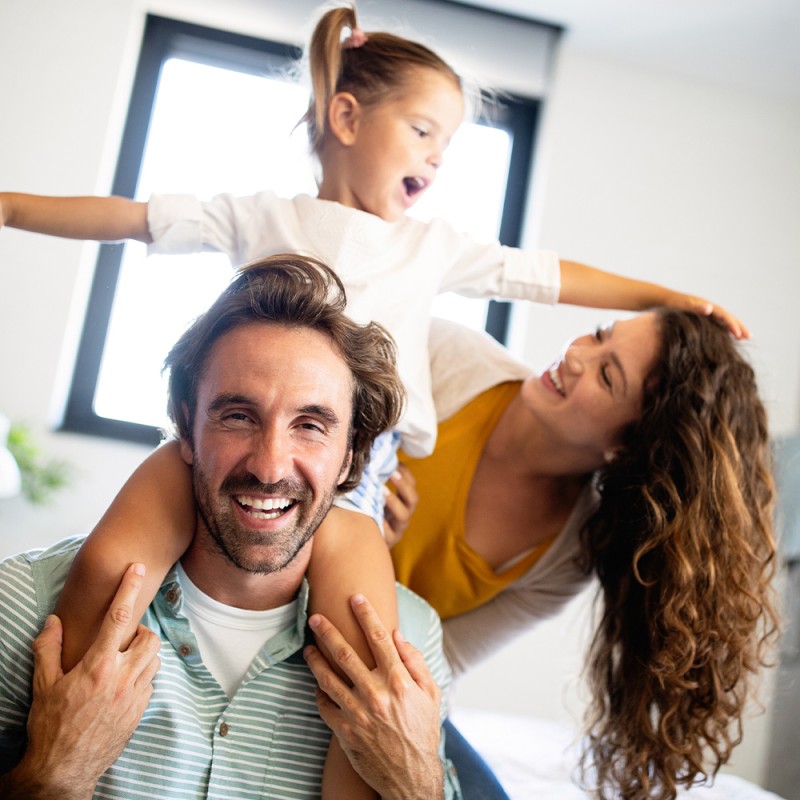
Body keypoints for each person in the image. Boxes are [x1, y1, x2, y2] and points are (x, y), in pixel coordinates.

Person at [0, 2, 751, 795]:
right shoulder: (265, 216)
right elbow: (130, 220)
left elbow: (546, 276)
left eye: (450, 142)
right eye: (424, 131)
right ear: (347, 117)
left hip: (355, 490)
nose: (439, 157)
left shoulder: (430, 250)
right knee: (109, 569)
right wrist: (10, 207)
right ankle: (70, 741)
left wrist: (677, 300)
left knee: (369, 666)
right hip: (209, 456)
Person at [0, 254, 461, 800]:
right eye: (238, 416)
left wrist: (415, 783)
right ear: (186, 428)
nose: (270, 466)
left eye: (310, 425)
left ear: (350, 456)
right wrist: (51, 777)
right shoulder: (25, 605)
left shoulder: (410, 648)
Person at [386, 309, 779, 800]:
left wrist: (381, 556)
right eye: (599, 335)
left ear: (625, 448)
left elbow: (438, 665)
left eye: (606, 373)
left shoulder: (567, 558)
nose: (575, 356)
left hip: (381, 668)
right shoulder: (447, 358)